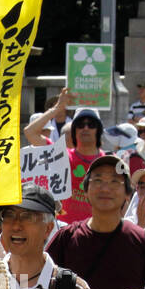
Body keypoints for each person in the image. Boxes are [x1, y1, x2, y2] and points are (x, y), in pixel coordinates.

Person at [47, 155, 145, 289]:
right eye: (97, 180)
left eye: (114, 182)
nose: (105, 188)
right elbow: (43, 285)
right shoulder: (66, 238)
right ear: (86, 190)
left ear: (127, 194)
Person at [24, 90, 102, 224]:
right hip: (65, 232)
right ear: (74, 130)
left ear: (99, 130)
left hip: (95, 232)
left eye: (91, 124)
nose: (86, 128)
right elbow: (30, 132)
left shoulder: (107, 161)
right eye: (80, 124)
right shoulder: (61, 155)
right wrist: (57, 108)